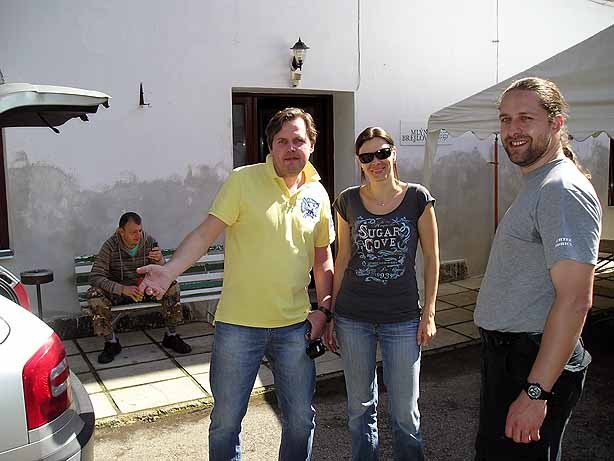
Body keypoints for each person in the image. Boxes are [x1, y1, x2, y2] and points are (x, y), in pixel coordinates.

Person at [136, 108, 335, 460]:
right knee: (226, 423)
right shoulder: (242, 181)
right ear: (270, 146)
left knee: (301, 421)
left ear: (311, 145)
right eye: (282, 141)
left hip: (294, 327)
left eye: (298, 140)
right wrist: (169, 271)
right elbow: (205, 234)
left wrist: (324, 311)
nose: (290, 148)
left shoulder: (317, 193)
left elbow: (323, 258)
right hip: (238, 327)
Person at [473, 77, 602, 460]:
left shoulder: (560, 189)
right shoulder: (541, 182)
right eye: (505, 119)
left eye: (525, 118)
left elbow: (576, 300)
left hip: (529, 364)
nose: (512, 129)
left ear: (556, 123)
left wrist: (535, 392)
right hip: (514, 359)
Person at [325, 126, 439, 460]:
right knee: (359, 409)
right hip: (353, 318)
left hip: (402, 319)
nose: (376, 162)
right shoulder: (347, 201)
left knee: (405, 412)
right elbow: (342, 259)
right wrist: (331, 314)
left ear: (394, 153)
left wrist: (429, 313)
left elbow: (432, 258)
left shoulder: (418, 198)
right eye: (367, 157)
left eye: (382, 153)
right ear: (359, 162)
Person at [88, 212, 192, 364]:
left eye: (140, 231)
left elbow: (162, 274)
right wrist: (121, 289)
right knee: (94, 294)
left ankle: (171, 336)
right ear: (121, 232)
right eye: (133, 232)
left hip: (145, 289)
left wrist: (160, 260)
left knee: (172, 285)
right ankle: (111, 343)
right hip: (120, 292)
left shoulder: (149, 242)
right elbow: (95, 277)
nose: (138, 236)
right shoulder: (110, 246)